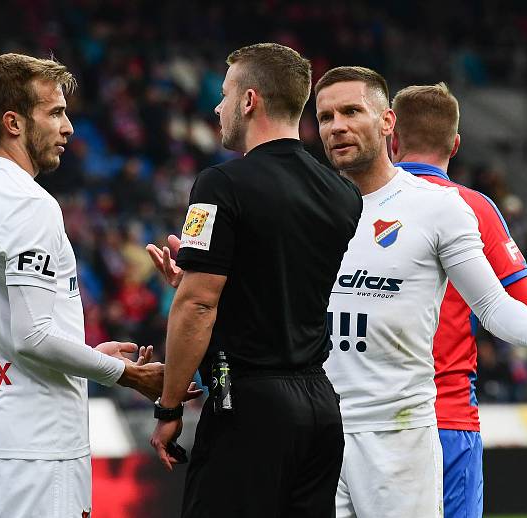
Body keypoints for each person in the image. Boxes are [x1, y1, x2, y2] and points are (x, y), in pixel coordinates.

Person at [313, 66, 527, 518]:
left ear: (389, 124)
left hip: (401, 433)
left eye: (351, 111)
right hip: (320, 432)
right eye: (326, 117)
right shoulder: (309, 206)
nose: (337, 126)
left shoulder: (441, 207)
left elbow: (490, 302)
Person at [0, 53, 181, 518]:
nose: (68, 127)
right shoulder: (28, 204)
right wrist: (127, 375)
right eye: (54, 113)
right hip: (37, 441)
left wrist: (88, 353)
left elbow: (10, 321)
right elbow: (31, 335)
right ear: (13, 122)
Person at [148, 43, 362, 518]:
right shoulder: (344, 193)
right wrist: (197, 279)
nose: (217, 107)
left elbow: (199, 306)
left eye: (224, 94)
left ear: (249, 101)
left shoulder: (220, 184)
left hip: (248, 404)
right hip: (320, 408)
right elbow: (279, 275)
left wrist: (168, 410)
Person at [391, 82, 527, 518]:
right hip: (448, 415)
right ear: (455, 144)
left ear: (392, 137)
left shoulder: (358, 205)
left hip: (370, 417)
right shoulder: (473, 207)